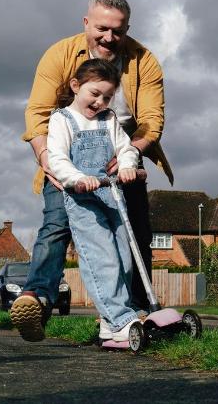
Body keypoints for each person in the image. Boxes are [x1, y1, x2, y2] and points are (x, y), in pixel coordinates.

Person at [13, 0, 173, 342]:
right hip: (65, 157)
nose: (109, 38)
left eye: (117, 31)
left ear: (127, 29)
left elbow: (151, 120)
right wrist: (48, 161)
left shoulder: (144, 61)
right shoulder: (60, 55)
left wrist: (130, 153)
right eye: (102, 28)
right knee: (56, 225)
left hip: (123, 152)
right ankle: (37, 298)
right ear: (86, 22)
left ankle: (131, 312)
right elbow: (37, 113)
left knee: (133, 235)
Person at [46, 58, 142, 341]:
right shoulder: (62, 119)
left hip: (112, 195)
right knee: (102, 260)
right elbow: (58, 160)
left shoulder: (109, 119)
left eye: (108, 97)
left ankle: (109, 324)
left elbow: (126, 148)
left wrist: (126, 165)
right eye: (95, 94)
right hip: (83, 201)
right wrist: (77, 178)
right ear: (76, 86)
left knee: (125, 259)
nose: (100, 102)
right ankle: (120, 319)